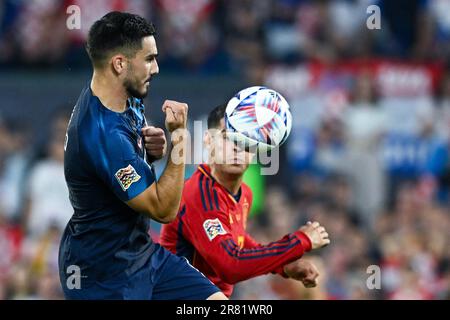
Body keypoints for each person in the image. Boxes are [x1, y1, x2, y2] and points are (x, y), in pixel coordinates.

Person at [59, 11, 225, 300]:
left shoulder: (123, 96)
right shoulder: (103, 135)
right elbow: (164, 210)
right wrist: (179, 139)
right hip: (103, 277)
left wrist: (153, 147)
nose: (157, 68)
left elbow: (134, 146)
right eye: (149, 59)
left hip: (141, 254)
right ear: (120, 64)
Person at [160, 104, 331, 298]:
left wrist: (284, 266)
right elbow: (231, 265)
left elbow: (239, 243)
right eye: (227, 137)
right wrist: (299, 241)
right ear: (208, 140)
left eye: (245, 139)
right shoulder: (199, 195)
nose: (236, 146)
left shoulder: (244, 194)